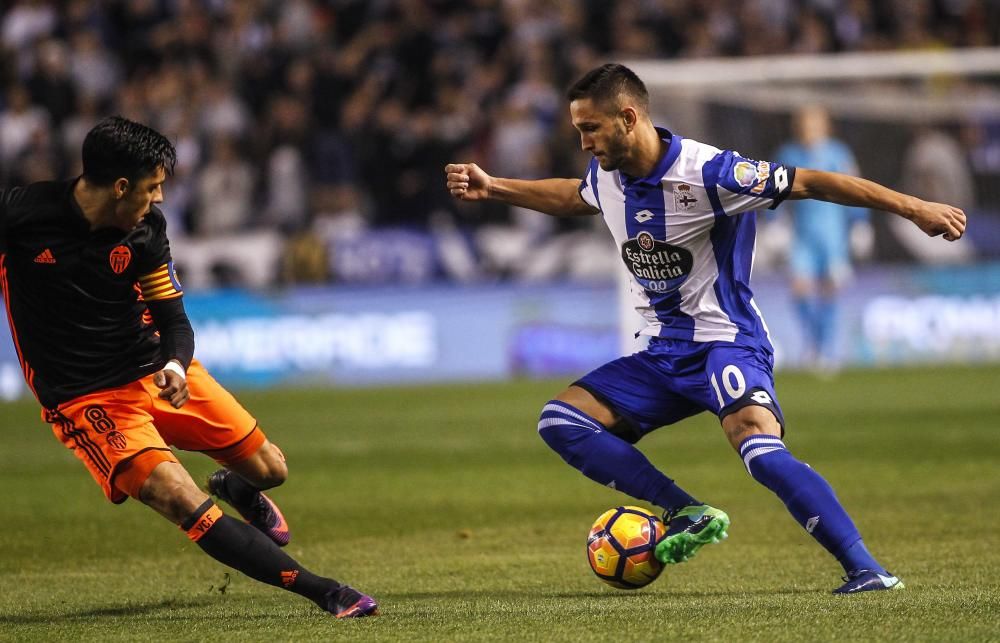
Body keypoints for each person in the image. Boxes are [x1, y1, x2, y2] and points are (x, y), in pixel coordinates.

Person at [444, 64, 966, 594]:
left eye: (591, 128)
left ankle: (867, 569)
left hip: (726, 341)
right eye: (579, 130)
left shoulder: (712, 173)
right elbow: (574, 196)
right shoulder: (608, 174)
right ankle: (685, 510)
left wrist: (914, 206)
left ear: (629, 117)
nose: (583, 143)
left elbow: (810, 180)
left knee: (757, 447)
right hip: (665, 352)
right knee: (561, 421)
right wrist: (496, 187)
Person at [0, 116, 377, 618]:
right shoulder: (21, 216)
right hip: (88, 398)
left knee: (271, 470)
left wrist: (176, 364)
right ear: (119, 186)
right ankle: (325, 591)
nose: (158, 200)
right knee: (177, 496)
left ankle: (237, 485)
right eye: (152, 188)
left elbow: (174, 318)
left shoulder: (147, 233)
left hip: (157, 371)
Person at [773, 105, 869, 371]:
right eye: (804, 123)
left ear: (825, 126)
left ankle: (825, 350)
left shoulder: (838, 154)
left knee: (830, 291)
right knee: (799, 289)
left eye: (814, 123)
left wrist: (860, 224)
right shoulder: (788, 154)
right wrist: (775, 223)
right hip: (802, 236)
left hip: (832, 235)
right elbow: (774, 192)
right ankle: (813, 343)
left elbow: (856, 189)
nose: (808, 129)